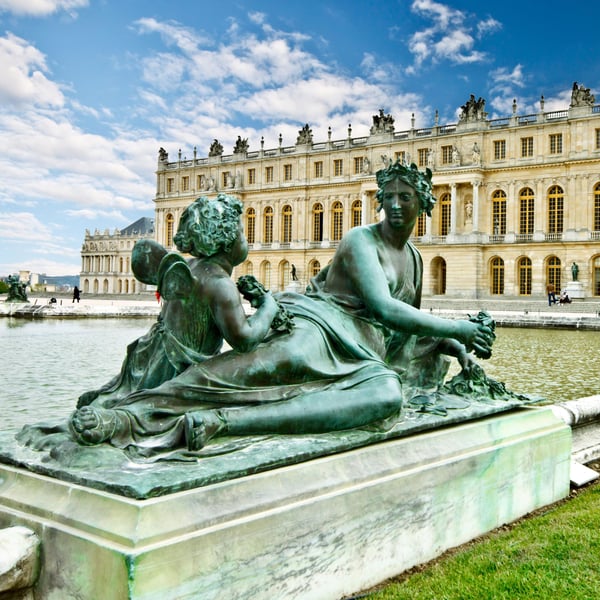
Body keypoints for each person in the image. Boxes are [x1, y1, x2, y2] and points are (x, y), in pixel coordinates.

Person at [69, 161, 494, 453]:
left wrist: (444, 343)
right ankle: (130, 415)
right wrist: (457, 328)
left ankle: (225, 423)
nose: (397, 205)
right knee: (248, 373)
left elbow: (400, 330)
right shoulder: (360, 241)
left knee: (387, 396)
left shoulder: (416, 259)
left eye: (407, 197)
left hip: (364, 356)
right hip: (319, 325)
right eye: (391, 196)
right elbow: (383, 307)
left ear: (425, 201)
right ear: (380, 199)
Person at [74, 193, 279, 410]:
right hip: (179, 371)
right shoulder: (220, 283)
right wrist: (268, 307)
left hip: (153, 358)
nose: (245, 239)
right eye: (241, 233)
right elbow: (244, 340)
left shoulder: (189, 266)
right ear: (226, 240)